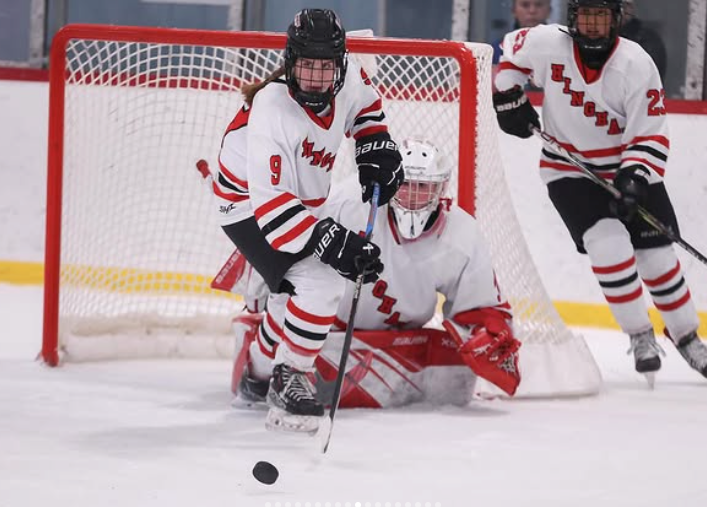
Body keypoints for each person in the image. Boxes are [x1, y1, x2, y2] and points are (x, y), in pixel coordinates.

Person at [492, 0, 707, 382]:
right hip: (568, 171)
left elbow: (650, 132)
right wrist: (508, 96)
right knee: (608, 246)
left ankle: (687, 337)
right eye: (586, 16)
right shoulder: (547, 44)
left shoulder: (636, 64)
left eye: (601, 16)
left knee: (657, 260)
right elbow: (510, 53)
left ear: (616, 19)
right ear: (573, 18)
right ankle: (640, 336)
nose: (592, 25)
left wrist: (636, 177)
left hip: (629, 169)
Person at [213, 8, 404, 433]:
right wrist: (332, 241)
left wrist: (376, 146)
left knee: (291, 296)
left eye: (326, 66)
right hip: (247, 206)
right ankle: (289, 379)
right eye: (307, 65)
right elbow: (274, 214)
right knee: (320, 282)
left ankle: (257, 378)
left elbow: (367, 110)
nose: (317, 77)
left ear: (339, 63)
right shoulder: (271, 109)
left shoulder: (350, 76)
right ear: (290, 62)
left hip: (298, 199)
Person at [227, 140, 522, 412]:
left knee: (454, 376)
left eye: (424, 187)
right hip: (325, 328)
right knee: (282, 305)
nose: (413, 197)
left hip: (398, 338)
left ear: (442, 189)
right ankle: (259, 373)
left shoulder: (461, 235)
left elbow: (481, 306)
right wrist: (266, 294)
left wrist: (488, 332)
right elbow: (290, 247)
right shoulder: (348, 203)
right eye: (406, 186)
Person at [492, 0, 552, 65]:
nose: (532, 11)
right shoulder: (496, 51)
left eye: (539, 5)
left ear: (549, 10)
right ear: (514, 10)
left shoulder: (560, 48)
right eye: (525, 5)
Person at [620, 0, 667, 81]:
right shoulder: (600, 39)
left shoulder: (648, 39)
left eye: (627, 5)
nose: (624, 10)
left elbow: (649, 77)